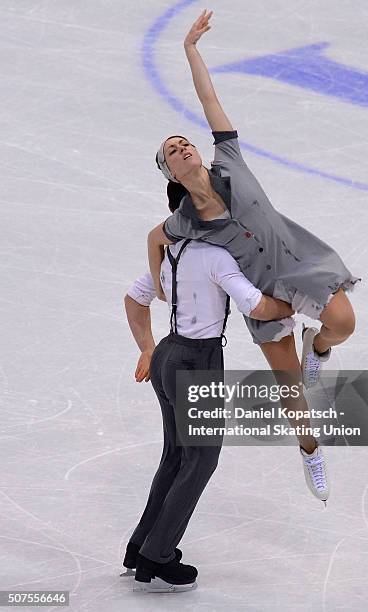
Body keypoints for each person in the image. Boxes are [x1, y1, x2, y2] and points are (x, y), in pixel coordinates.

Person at [147, 10, 360, 457]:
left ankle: (316, 347)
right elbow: (155, 239)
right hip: (261, 293)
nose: (183, 147)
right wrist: (162, 283)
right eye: (173, 151)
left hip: (299, 262)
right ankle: (310, 450)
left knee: (342, 325)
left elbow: (209, 100)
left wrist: (190, 49)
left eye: (184, 142)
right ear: (171, 172)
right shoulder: (185, 221)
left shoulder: (229, 159)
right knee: (290, 390)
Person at [123, 197, 301, 591]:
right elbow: (253, 305)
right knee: (201, 460)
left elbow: (135, 298)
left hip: (168, 356)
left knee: (176, 455)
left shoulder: (171, 253)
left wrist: (147, 349)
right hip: (197, 363)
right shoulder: (217, 257)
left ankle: (141, 546)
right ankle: (158, 556)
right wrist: (295, 303)